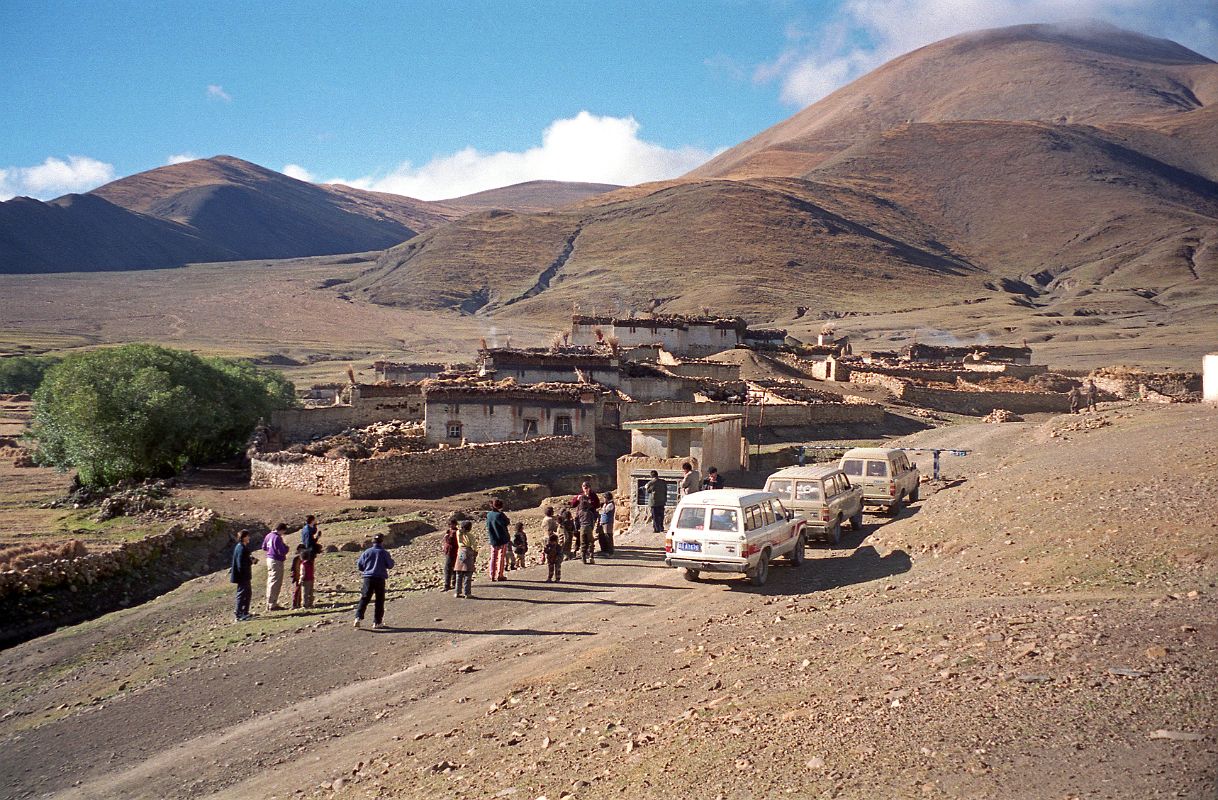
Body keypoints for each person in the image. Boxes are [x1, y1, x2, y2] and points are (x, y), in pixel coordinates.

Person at [354, 533, 395, 629]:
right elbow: (390, 565)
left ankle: (358, 617)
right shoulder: (384, 553)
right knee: (379, 600)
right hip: (380, 578)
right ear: (382, 542)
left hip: (368, 578)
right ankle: (377, 622)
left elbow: (360, 565)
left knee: (365, 598)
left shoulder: (366, 552)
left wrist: (367, 569)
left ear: (372, 542)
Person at [570, 481, 601, 564]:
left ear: (589, 487)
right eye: (584, 487)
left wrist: (591, 503)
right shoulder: (580, 495)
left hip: (590, 518)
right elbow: (572, 504)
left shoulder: (593, 495)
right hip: (581, 518)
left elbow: (597, 505)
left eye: (587, 487)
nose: (585, 488)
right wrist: (576, 499)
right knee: (579, 535)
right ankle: (578, 551)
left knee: (589, 536)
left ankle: (588, 552)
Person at [263, 523, 290, 611]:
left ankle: (269, 602)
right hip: (276, 561)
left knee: (271, 580)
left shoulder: (268, 535)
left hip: (269, 559)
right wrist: (286, 548)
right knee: (276, 582)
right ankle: (272, 604)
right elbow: (282, 551)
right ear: (281, 530)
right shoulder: (277, 538)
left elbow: (264, 547)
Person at [230, 530, 254, 621]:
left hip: (244, 576)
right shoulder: (241, 548)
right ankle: (239, 613)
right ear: (244, 537)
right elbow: (240, 563)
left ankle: (245, 612)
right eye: (248, 536)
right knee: (242, 594)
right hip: (243, 576)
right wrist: (250, 562)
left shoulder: (241, 547)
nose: (249, 538)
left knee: (247, 593)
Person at [486, 499, 511, 581]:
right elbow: (506, 523)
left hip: (493, 538)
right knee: (501, 557)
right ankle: (499, 575)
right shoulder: (500, 515)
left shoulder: (489, 514)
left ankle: (492, 574)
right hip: (502, 538)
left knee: (493, 556)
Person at [453, 520, 477, 598]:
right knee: (468, 573)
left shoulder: (459, 534)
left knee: (459, 573)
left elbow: (459, 530)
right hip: (468, 552)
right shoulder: (470, 535)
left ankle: (457, 592)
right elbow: (474, 546)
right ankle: (467, 593)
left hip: (460, 552)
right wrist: (475, 554)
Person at [440, 518, 459, 592]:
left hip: (452, 552)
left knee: (447, 568)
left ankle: (447, 585)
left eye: (451, 524)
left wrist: (446, 536)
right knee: (453, 567)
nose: (450, 526)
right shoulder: (453, 531)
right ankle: (454, 583)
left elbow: (450, 541)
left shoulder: (454, 532)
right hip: (450, 551)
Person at [598, 491, 616, 556]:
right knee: (602, 536)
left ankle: (610, 551)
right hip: (603, 522)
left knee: (608, 536)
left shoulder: (610, 504)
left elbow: (604, 511)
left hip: (608, 522)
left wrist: (600, 510)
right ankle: (604, 550)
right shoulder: (606, 504)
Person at [300, 543, 316, 609]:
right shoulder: (311, 563)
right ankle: (311, 603)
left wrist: (300, 580)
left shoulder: (303, 564)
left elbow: (302, 573)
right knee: (310, 592)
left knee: (305, 593)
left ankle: (305, 605)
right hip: (311, 579)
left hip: (305, 580)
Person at [290, 544, 305, 609]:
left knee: (303, 590)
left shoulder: (305, 558)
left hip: (304, 576)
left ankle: (301, 603)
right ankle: (295, 604)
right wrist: (294, 575)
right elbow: (293, 568)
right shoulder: (296, 559)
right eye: (300, 550)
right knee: (297, 590)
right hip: (297, 577)